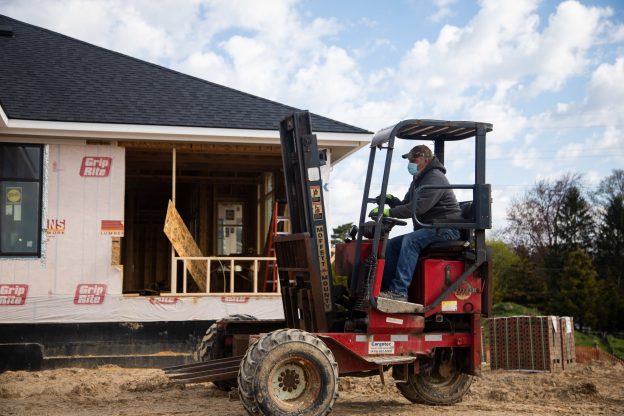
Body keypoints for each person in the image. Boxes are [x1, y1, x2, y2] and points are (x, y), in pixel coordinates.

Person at [374, 144, 462, 302]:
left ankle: (399, 292)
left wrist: (390, 213)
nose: (410, 164)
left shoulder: (435, 178)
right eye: (409, 160)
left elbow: (418, 208)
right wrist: (391, 201)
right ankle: (385, 290)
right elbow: (407, 204)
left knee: (411, 241)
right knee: (392, 245)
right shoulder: (418, 180)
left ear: (425, 160)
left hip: (446, 229)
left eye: (413, 159)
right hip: (431, 228)